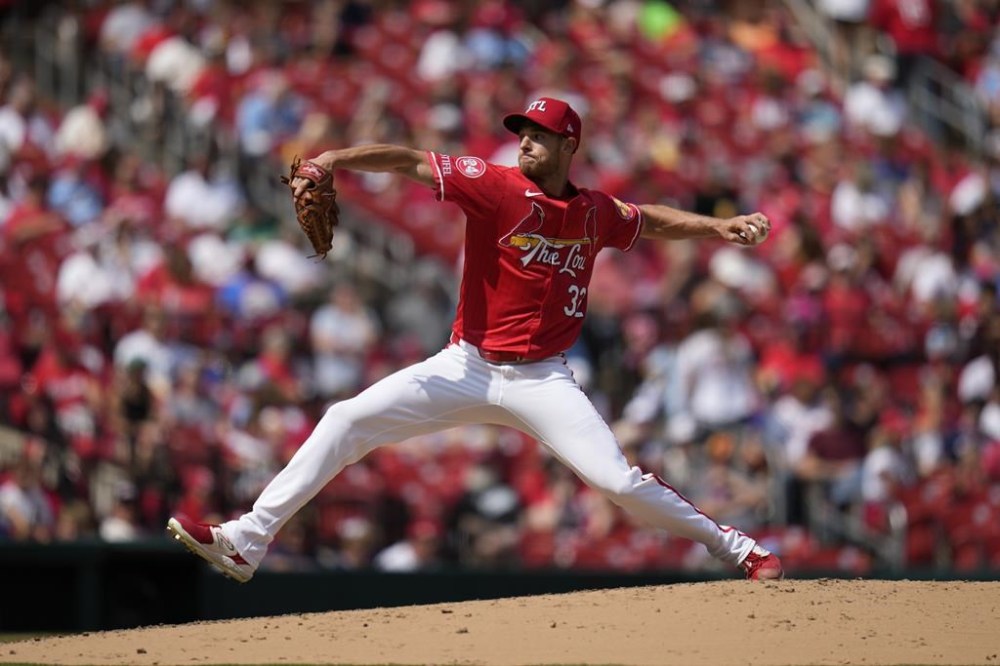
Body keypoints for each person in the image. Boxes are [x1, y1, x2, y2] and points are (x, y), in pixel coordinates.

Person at [167, 96, 782, 582]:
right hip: (465, 365)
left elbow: (649, 220)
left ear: (569, 145)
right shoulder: (495, 185)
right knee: (345, 418)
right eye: (522, 132)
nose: (526, 142)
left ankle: (739, 550)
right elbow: (410, 160)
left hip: (543, 378)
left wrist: (718, 227)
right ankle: (246, 541)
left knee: (617, 484)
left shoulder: (594, 210)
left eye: (539, 134)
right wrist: (333, 160)